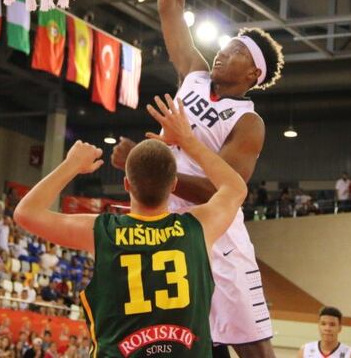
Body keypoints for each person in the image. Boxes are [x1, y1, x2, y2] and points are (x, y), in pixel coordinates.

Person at [111, 0, 283, 357]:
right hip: (166, 222)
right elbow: (170, 5)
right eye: (228, 43)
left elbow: (223, 191)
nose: (226, 50)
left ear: (253, 75)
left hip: (218, 235)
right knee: (186, 345)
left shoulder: (248, 122)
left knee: (252, 347)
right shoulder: (194, 72)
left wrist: (148, 165)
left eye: (239, 51)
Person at [15, 95, 247, 358]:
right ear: (173, 185)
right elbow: (236, 188)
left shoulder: (104, 231)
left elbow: (26, 213)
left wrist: (71, 165)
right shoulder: (198, 228)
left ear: (126, 184)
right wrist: (188, 140)